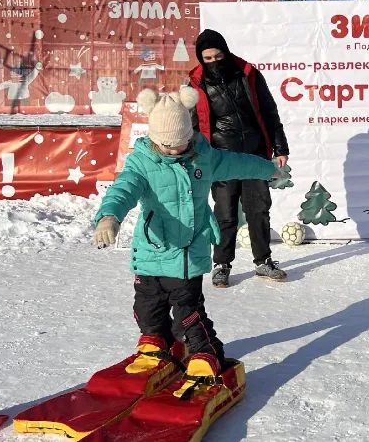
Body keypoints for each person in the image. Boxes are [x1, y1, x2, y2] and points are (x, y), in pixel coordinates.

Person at [92, 87, 279, 389]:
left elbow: (240, 163)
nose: (176, 150)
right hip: (151, 252)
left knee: (188, 313)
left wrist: (269, 169)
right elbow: (122, 190)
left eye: (182, 143)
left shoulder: (204, 158)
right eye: (168, 145)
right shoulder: (141, 163)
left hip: (188, 256)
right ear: (154, 138)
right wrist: (109, 216)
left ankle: (206, 354)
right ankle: (155, 343)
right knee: (146, 307)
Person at [188, 29, 290, 288]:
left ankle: (263, 261)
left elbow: (269, 110)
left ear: (226, 51)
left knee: (258, 209)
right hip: (220, 158)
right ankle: (221, 264)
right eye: (207, 58)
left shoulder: (249, 74)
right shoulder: (195, 85)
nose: (213, 62)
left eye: (218, 55)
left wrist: (280, 147)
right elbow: (191, 125)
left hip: (254, 154)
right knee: (224, 212)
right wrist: (193, 156)